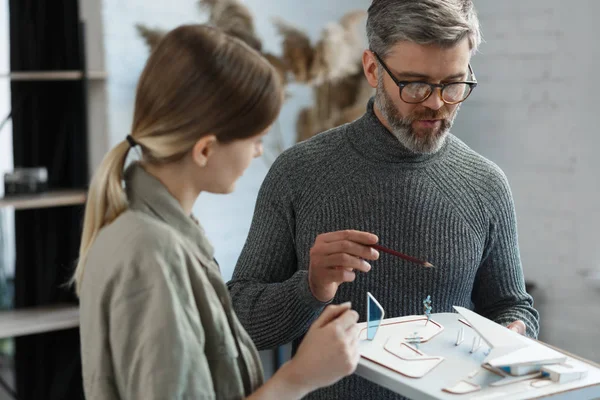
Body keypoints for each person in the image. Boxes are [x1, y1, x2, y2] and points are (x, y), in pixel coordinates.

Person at [228, 0, 540, 398]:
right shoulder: (298, 174)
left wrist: (514, 332)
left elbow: (513, 306)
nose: (436, 103)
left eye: (454, 84)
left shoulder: (486, 183)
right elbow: (239, 322)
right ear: (373, 69)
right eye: (416, 84)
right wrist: (309, 285)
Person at [73, 24, 361, 400]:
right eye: (255, 139)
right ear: (205, 150)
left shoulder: (157, 234)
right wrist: (300, 376)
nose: (259, 151)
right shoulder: (152, 253)